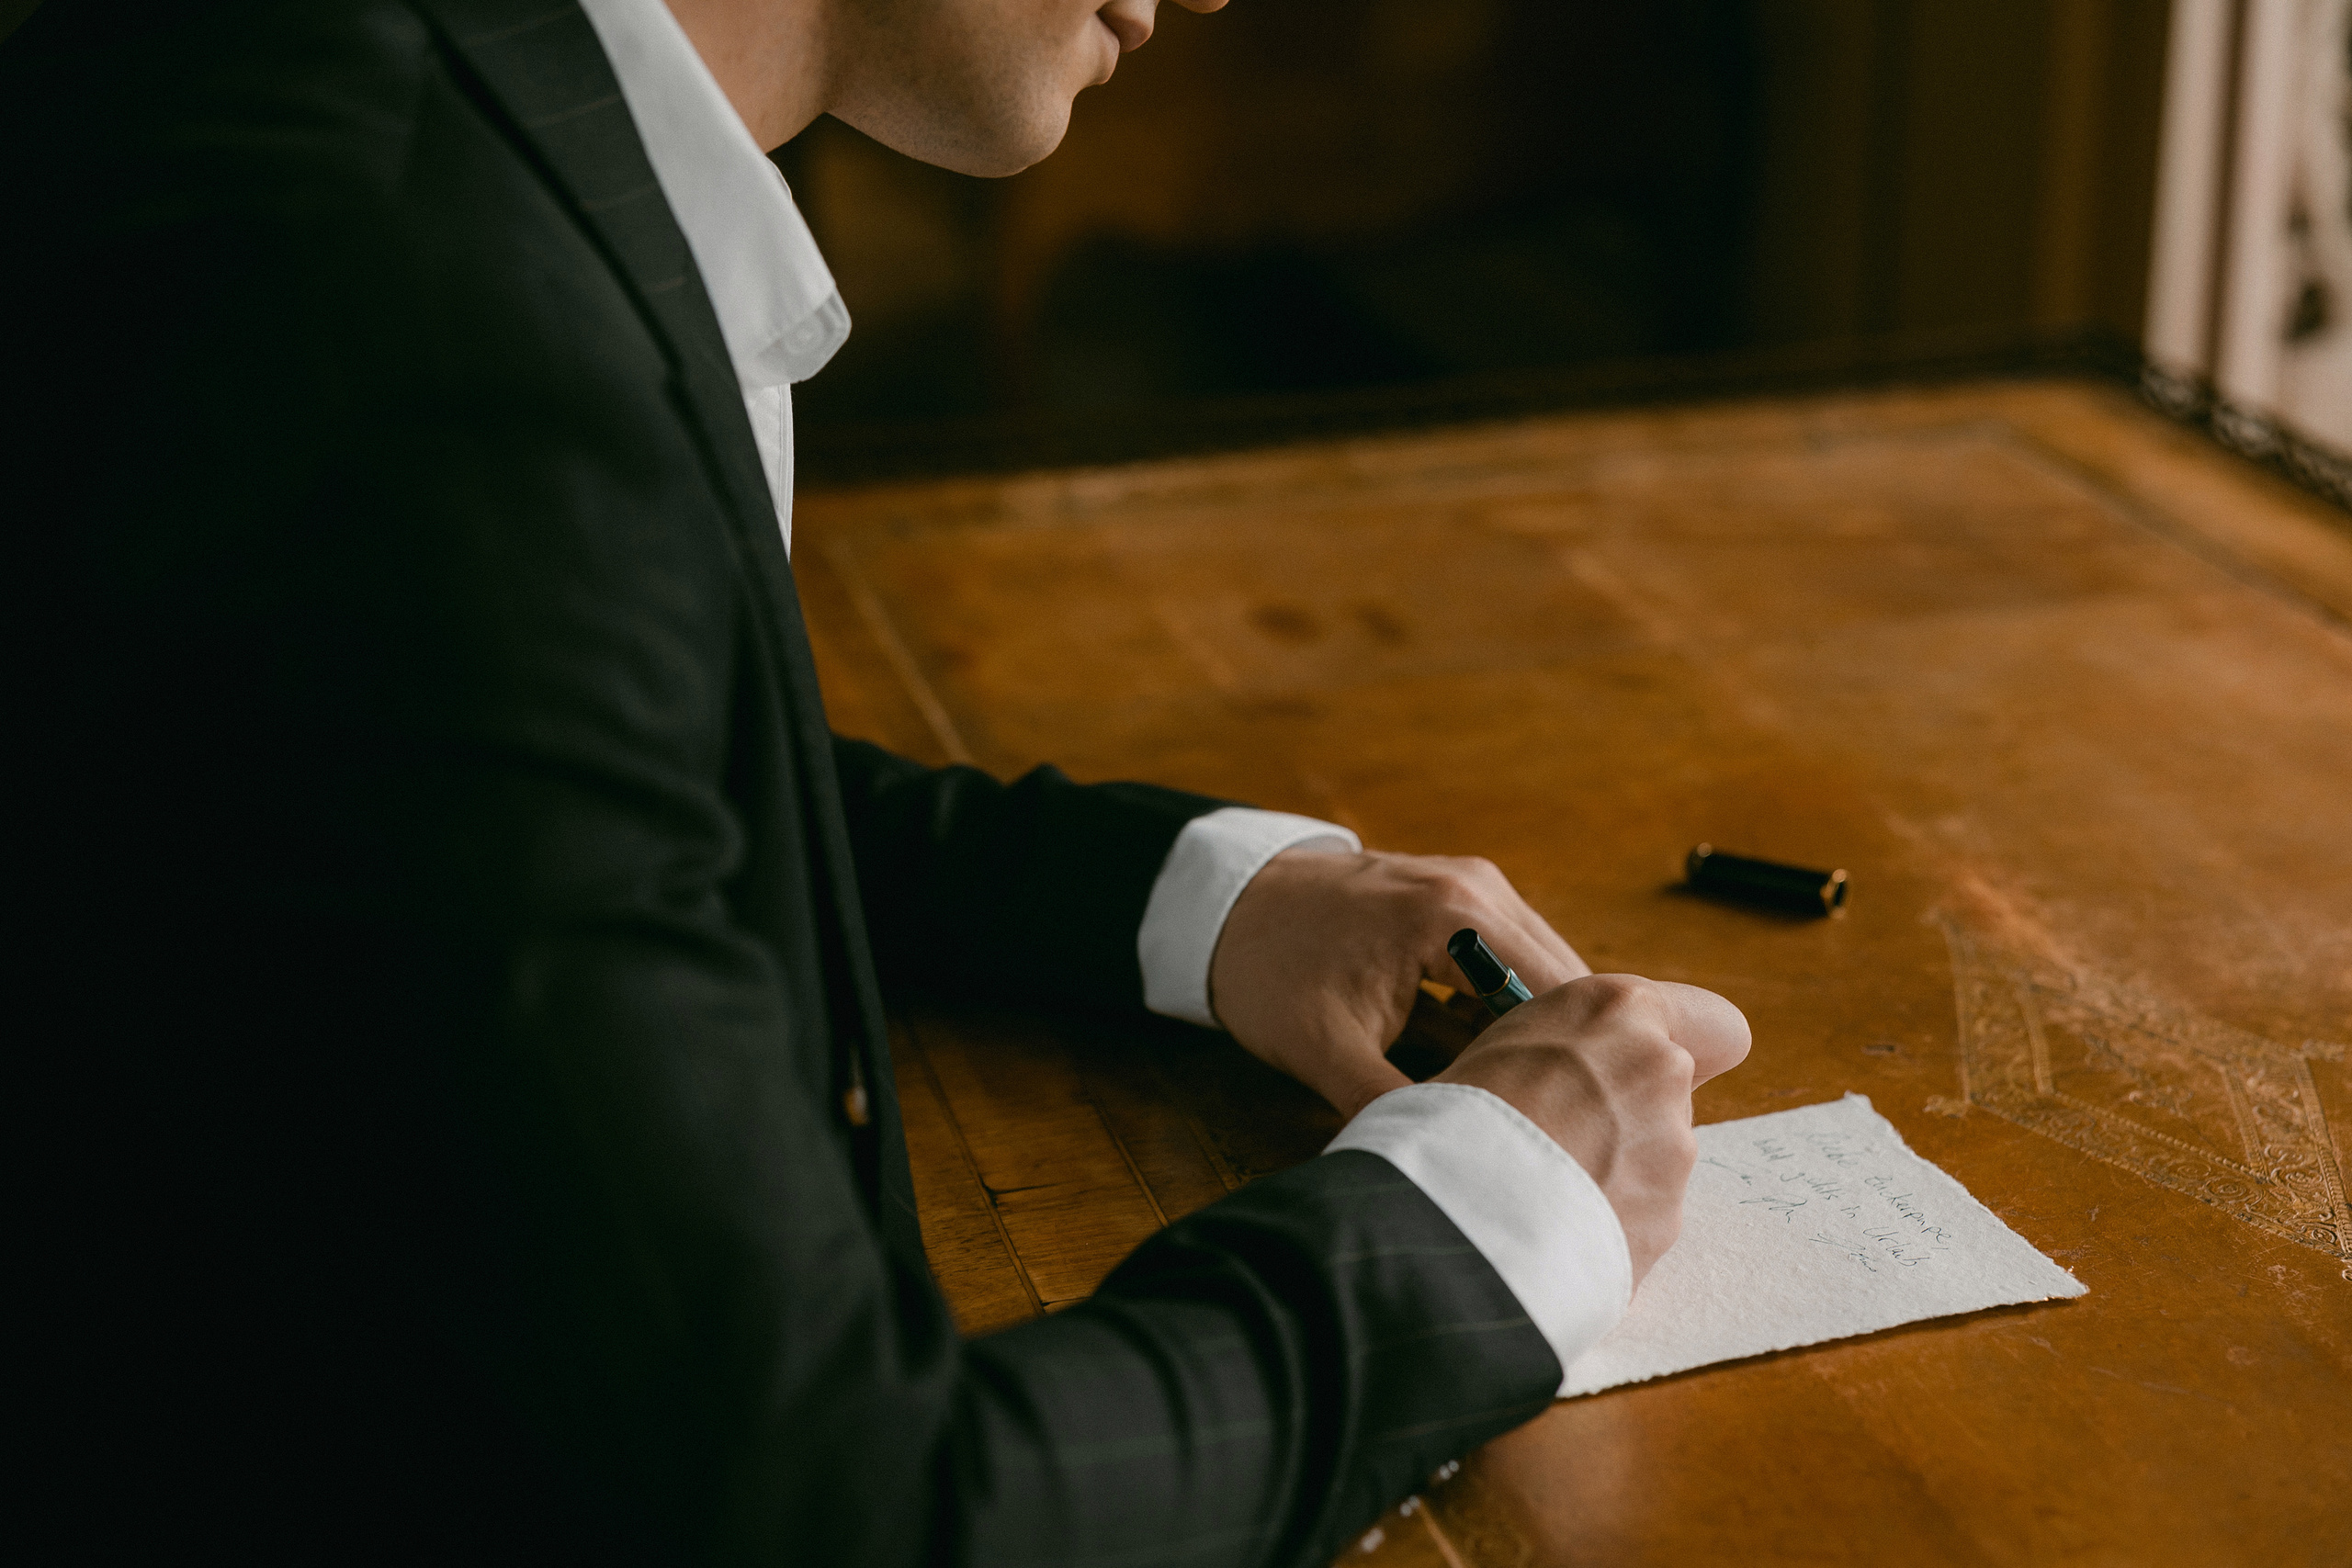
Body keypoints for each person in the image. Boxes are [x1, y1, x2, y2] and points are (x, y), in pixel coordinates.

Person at [4, 0, 1749, 1562]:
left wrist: (1208, 907)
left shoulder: (467, 112)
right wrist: (1495, 1211)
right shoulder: (413, 342)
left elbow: (523, 785)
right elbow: (838, 1505)